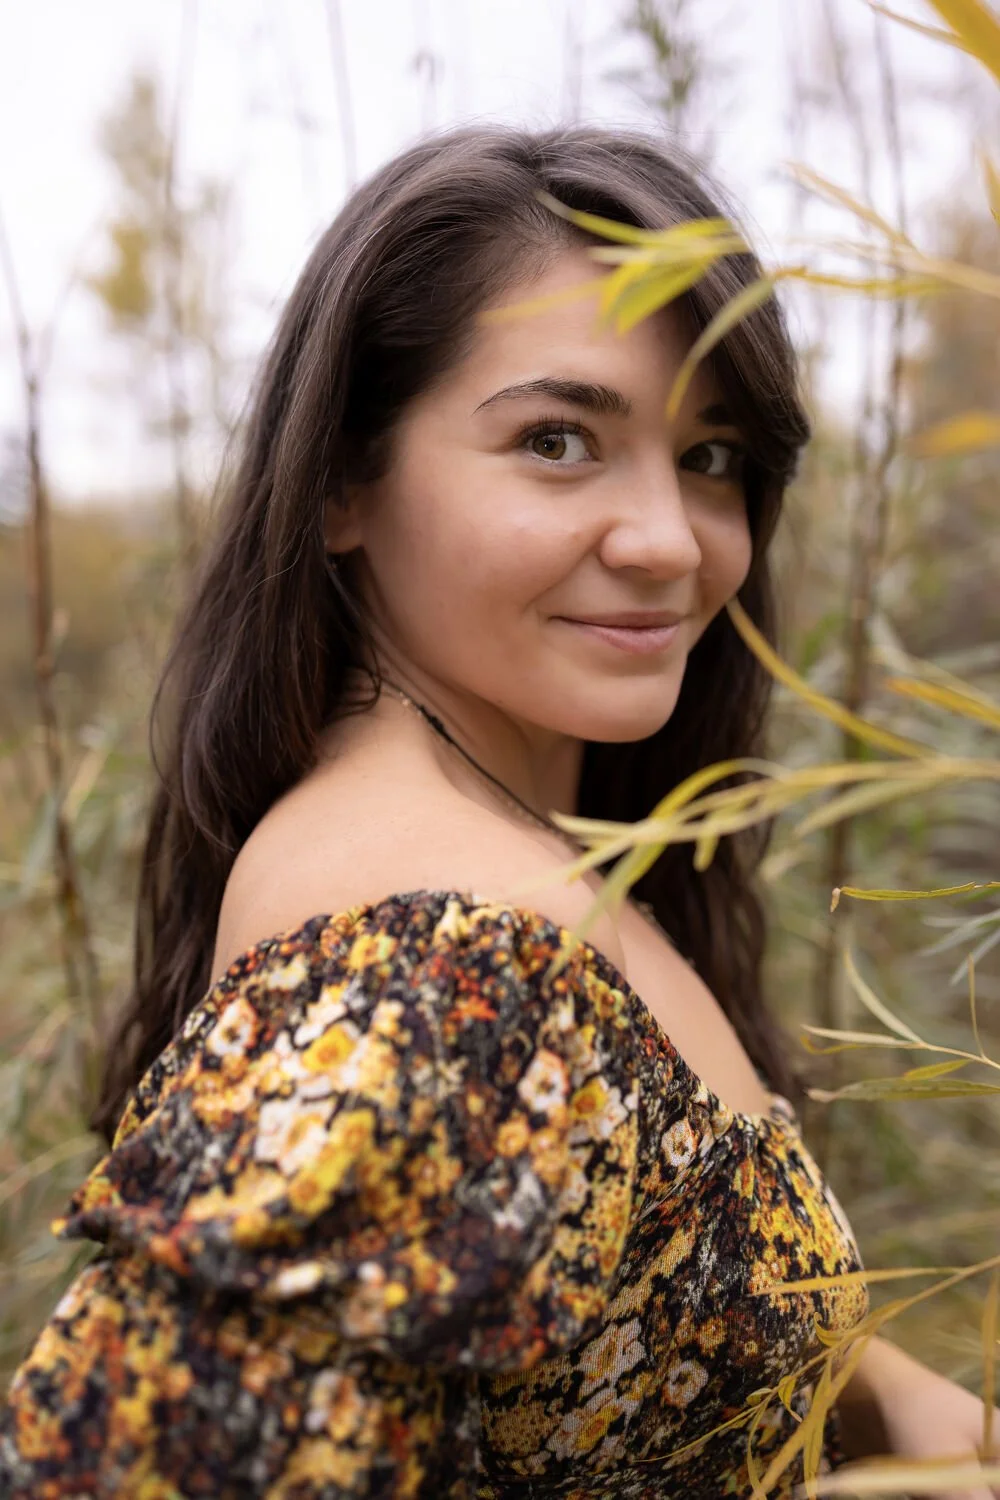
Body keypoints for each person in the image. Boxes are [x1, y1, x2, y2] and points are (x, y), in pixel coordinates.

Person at [0, 124, 992, 1500]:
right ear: (346, 479)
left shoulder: (529, 870)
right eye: (558, 439)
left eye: (711, 457)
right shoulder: (441, 964)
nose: (666, 539)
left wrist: (884, 1397)